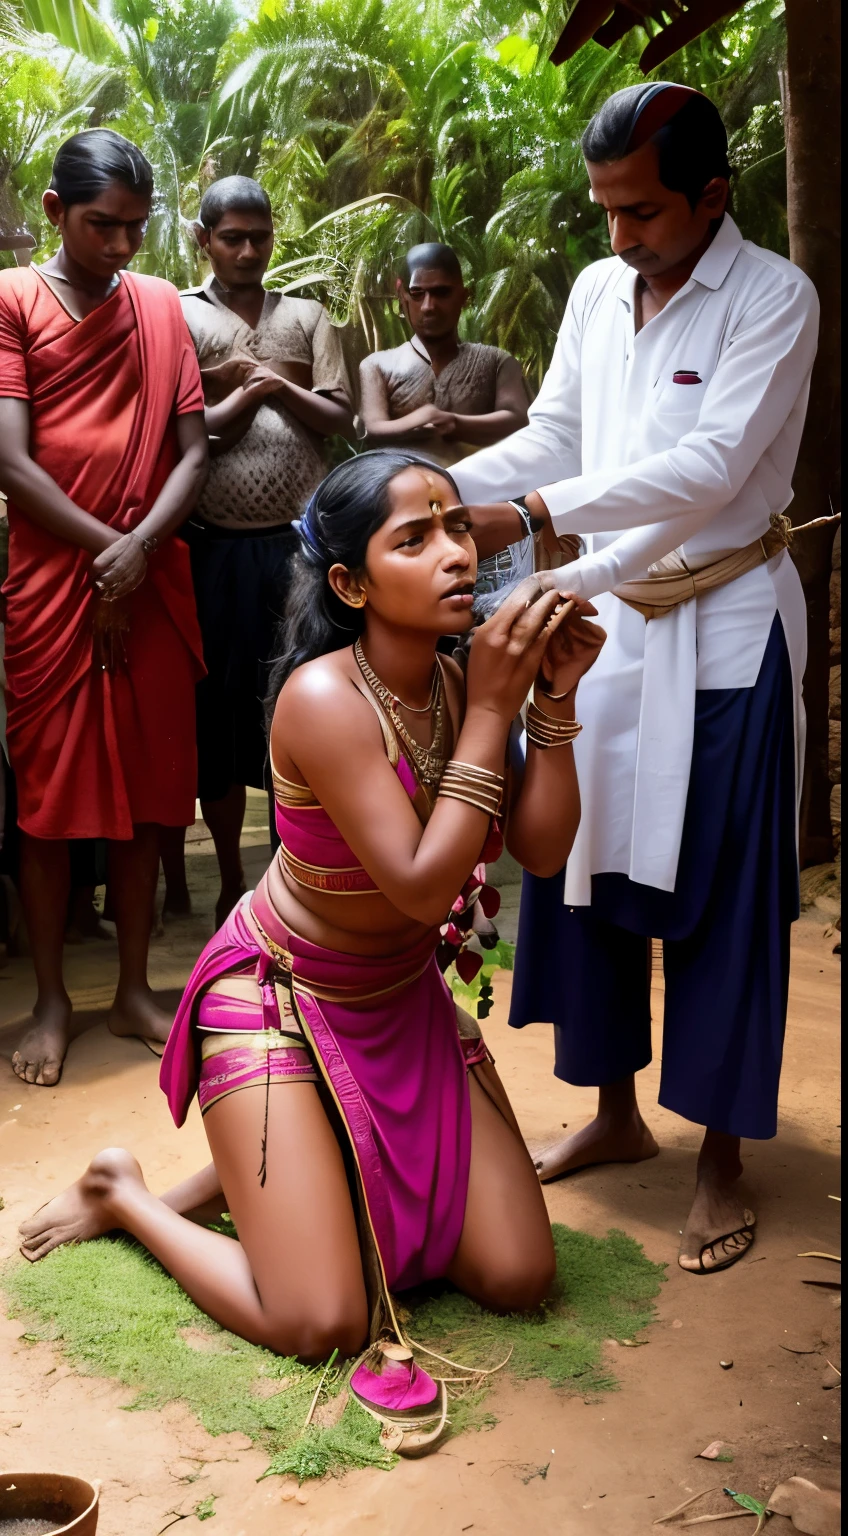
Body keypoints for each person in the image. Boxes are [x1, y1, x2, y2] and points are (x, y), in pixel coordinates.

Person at [19, 450, 605, 1451]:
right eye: (412, 538)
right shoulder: (324, 701)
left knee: (519, 1276)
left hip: (401, 1001)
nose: (455, 554)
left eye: (457, 527)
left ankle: (281, 1170)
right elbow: (422, 885)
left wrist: (548, 702)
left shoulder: (463, 685)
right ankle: (125, 1193)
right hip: (281, 999)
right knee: (319, 1319)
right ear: (349, 583)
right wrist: (500, 709)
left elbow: (543, 850)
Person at [451, 83, 820, 1275]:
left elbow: (708, 470)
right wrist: (432, 487)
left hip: (717, 628)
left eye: (643, 212)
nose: (618, 237)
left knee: (722, 892)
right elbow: (554, 432)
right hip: (596, 625)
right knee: (577, 867)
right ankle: (612, 1109)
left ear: (713, 195)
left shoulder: (773, 297)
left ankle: (717, 1150)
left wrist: (540, 519)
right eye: (604, 210)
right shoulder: (598, 290)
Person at [0, 129, 208, 1086]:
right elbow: (10, 460)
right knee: (48, 809)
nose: (125, 246)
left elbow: (194, 453)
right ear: (54, 213)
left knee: (151, 799)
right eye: (102, 226)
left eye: (137, 226)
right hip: (53, 585)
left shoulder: (164, 309)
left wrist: (141, 550)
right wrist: (105, 551)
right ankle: (52, 997)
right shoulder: (11, 300)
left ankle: (132, 991)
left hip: (152, 577)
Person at [165, 177, 354, 926]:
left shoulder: (308, 316)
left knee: (299, 694)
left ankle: (291, 863)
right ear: (204, 239)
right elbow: (190, 428)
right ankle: (231, 875)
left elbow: (340, 419)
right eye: (232, 237)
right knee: (219, 709)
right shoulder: (178, 316)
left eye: (260, 236)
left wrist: (265, 380)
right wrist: (248, 398)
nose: (248, 250)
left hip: (301, 549)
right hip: (212, 547)